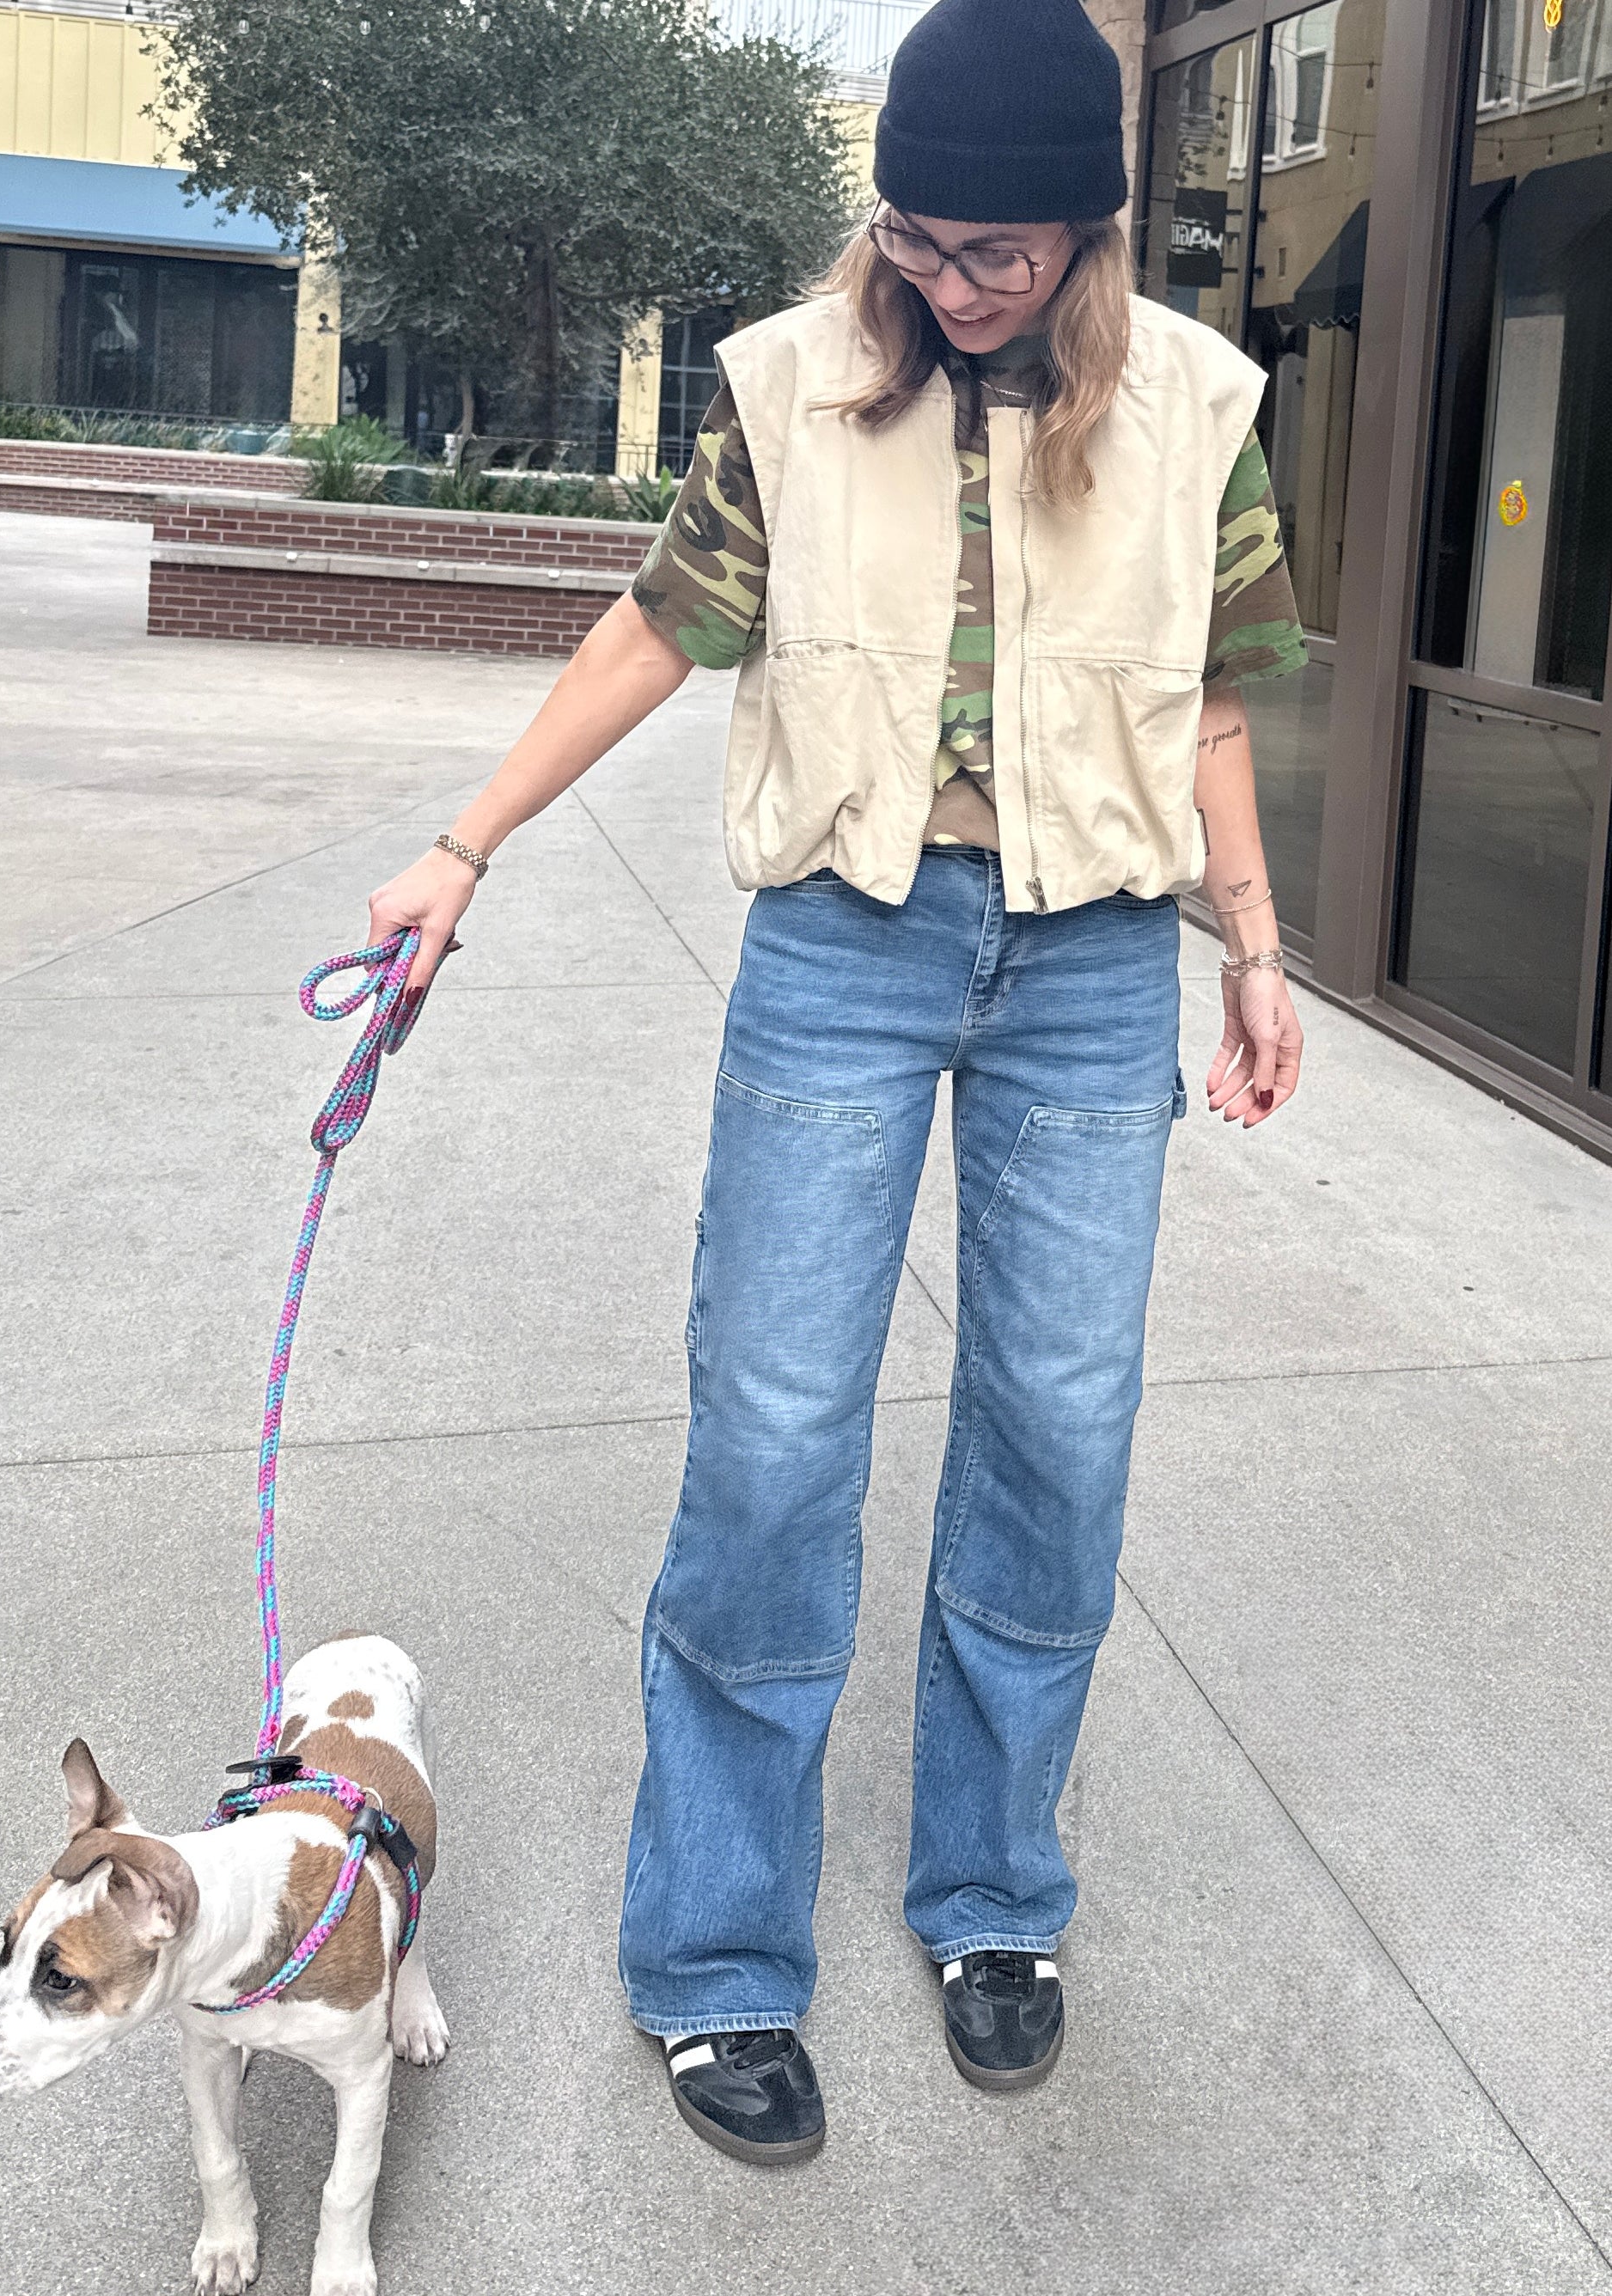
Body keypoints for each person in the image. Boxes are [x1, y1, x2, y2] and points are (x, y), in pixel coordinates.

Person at [365, 0, 1306, 2165]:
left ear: (1090, 235)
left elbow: (1217, 705)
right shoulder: (794, 386)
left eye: (994, 251)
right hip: (846, 946)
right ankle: (712, 1951)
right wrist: (462, 845)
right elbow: (650, 630)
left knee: (1057, 1432)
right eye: (913, 234)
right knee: (777, 1432)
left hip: (1089, 962)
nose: (945, 281)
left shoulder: (1195, 411)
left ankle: (992, 1894)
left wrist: (1250, 952)